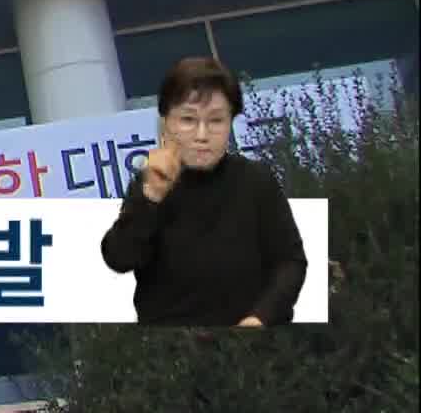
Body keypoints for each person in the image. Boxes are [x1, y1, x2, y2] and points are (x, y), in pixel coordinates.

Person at [100, 56, 307, 326]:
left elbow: (290, 262)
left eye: (216, 121)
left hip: (252, 340)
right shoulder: (150, 184)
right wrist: (150, 198)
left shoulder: (255, 179)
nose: (202, 135)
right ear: (166, 124)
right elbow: (118, 259)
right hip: (175, 344)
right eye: (188, 119)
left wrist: (261, 317)